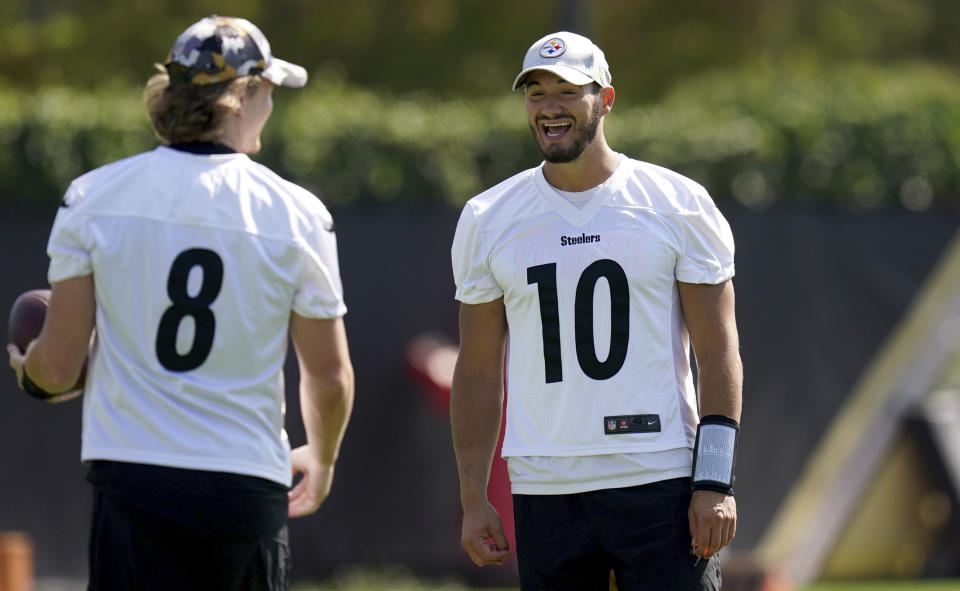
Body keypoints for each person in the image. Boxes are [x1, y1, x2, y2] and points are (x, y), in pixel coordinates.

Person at [6, 15, 354, 590]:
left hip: (134, 477)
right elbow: (330, 375)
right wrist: (323, 457)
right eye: (266, 91)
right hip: (244, 483)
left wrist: (31, 376)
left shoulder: (94, 196)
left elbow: (59, 364)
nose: (270, 105)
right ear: (242, 96)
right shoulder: (296, 213)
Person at [450, 31, 742, 590]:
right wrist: (472, 497)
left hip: (659, 479)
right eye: (536, 92)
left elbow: (717, 348)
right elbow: (479, 369)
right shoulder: (488, 216)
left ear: (605, 99)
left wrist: (715, 480)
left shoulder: (677, 203)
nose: (549, 107)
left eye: (568, 91)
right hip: (545, 488)